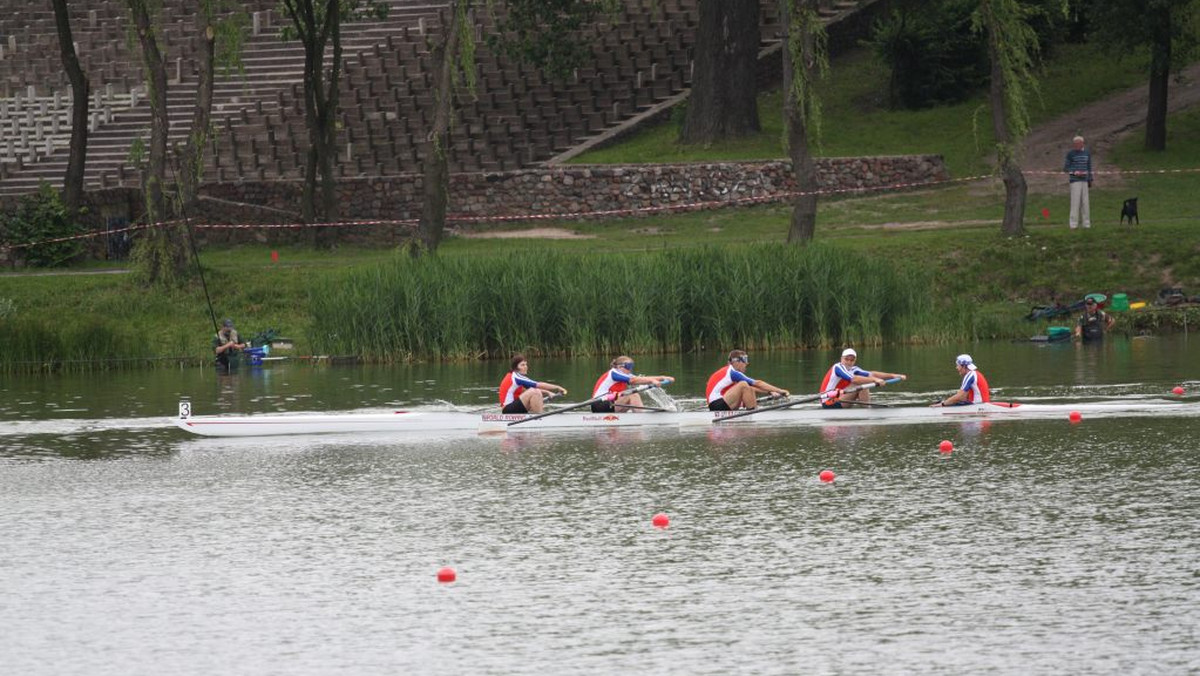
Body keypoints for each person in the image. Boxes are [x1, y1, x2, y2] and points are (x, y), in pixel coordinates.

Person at [818, 348, 907, 408]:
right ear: (841, 359)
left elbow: (871, 374)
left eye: (852, 360)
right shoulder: (837, 367)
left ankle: (866, 409)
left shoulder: (854, 369)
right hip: (828, 402)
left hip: (839, 399)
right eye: (846, 359)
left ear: (855, 361)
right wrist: (875, 380)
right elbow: (854, 379)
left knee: (863, 380)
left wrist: (893, 375)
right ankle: (867, 410)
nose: (849, 362)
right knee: (861, 382)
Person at [705, 349, 790, 411]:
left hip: (720, 402)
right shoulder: (732, 372)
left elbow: (752, 387)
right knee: (743, 385)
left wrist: (770, 392)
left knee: (747, 387)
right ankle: (753, 412)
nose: (747, 363)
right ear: (737, 362)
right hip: (716, 405)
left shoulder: (730, 374)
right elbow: (758, 383)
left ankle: (752, 409)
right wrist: (780, 390)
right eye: (744, 360)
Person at [591, 356, 672, 413]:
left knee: (631, 396)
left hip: (610, 403)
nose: (630, 369)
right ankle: (642, 418)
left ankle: (637, 415)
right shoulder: (613, 372)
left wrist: (662, 377)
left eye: (631, 366)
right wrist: (652, 380)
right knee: (633, 395)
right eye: (628, 366)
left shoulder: (623, 374)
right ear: (620, 367)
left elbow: (641, 379)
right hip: (599, 404)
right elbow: (633, 380)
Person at [498, 354, 568, 414]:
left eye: (526, 364)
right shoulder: (515, 377)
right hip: (508, 410)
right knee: (535, 392)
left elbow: (527, 389)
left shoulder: (515, 378)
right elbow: (538, 384)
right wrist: (557, 387)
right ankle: (539, 418)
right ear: (516, 367)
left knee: (534, 392)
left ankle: (537, 415)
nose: (526, 367)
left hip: (513, 408)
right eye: (522, 365)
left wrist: (548, 392)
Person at [1063, 135, 1093, 229]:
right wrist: (1075, 172)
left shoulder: (1087, 153)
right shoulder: (1070, 154)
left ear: (1082, 143)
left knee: (1085, 203)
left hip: (1084, 180)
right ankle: (1073, 224)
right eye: (1074, 144)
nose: (1076, 146)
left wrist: (1090, 179)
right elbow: (1066, 167)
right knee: (1075, 203)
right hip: (1075, 181)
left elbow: (1089, 167)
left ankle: (1086, 224)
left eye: (1078, 144)